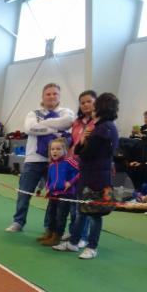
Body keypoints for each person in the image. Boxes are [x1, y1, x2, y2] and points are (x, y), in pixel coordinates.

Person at [53, 92, 120, 259]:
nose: (91, 107)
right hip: (89, 175)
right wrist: (83, 141)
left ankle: (92, 246)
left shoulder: (104, 128)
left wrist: (83, 142)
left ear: (101, 107)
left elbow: (86, 153)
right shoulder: (101, 127)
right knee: (82, 211)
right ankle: (73, 242)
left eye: (94, 105)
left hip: (97, 177)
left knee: (95, 214)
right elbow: (80, 150)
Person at [6, 83, 74, 232]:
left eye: (55, 94)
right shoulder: (33, 113)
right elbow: (29, 128)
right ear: (43, 96)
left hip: (56, 162)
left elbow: (67, 123)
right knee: (24, 192)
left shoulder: (66, 112)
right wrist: (56, 127)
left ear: (59, 96)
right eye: (48, 94)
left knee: (55, 196)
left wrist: (42, 124)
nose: (51, 96)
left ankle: (49, 226)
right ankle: (18, 222)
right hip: (33, 160)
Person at [66, 90, 96, 244]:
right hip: (73, 166)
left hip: (89, 168)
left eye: (89, 101)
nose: (85, 105)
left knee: (85, 204)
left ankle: (83, 237)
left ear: (96, 103)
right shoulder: (76, 122)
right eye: (82, 102)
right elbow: (73, 143)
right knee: (73, 204)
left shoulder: (99, 123)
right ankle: (74, 232)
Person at [38, 138, 78, 246]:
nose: (55, 151)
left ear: (64, 150)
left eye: (58, 149)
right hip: (53, 194)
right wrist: (48, 189)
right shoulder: (51, 165)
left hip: (66, 194)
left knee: (61, 216)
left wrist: (70, 183)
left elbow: (80, 172)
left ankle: (57, 237)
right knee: (51, 214)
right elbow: (49, 180)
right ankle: (50, 234)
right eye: (52, 149)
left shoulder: (69, 161)